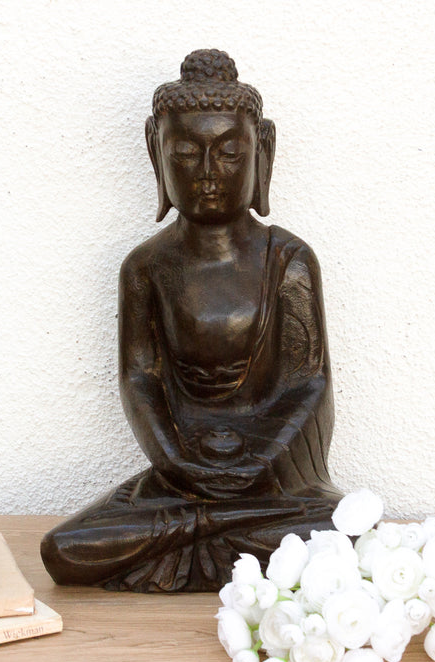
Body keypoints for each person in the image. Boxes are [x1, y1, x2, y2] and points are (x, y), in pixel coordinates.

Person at [41, 49, 342, 592]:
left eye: (229, 153)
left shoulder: (287, 261)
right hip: (179, 481)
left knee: (343, 527)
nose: (208, 174)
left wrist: (258, 459)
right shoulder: (146, 267)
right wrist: (178, 462)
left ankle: (213, 530)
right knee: (64, 550)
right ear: (156, 154)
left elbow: (308, 383)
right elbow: (140, 381)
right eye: (185, 152)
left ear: (262, 153)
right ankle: (217, 529)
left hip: (271, 482)